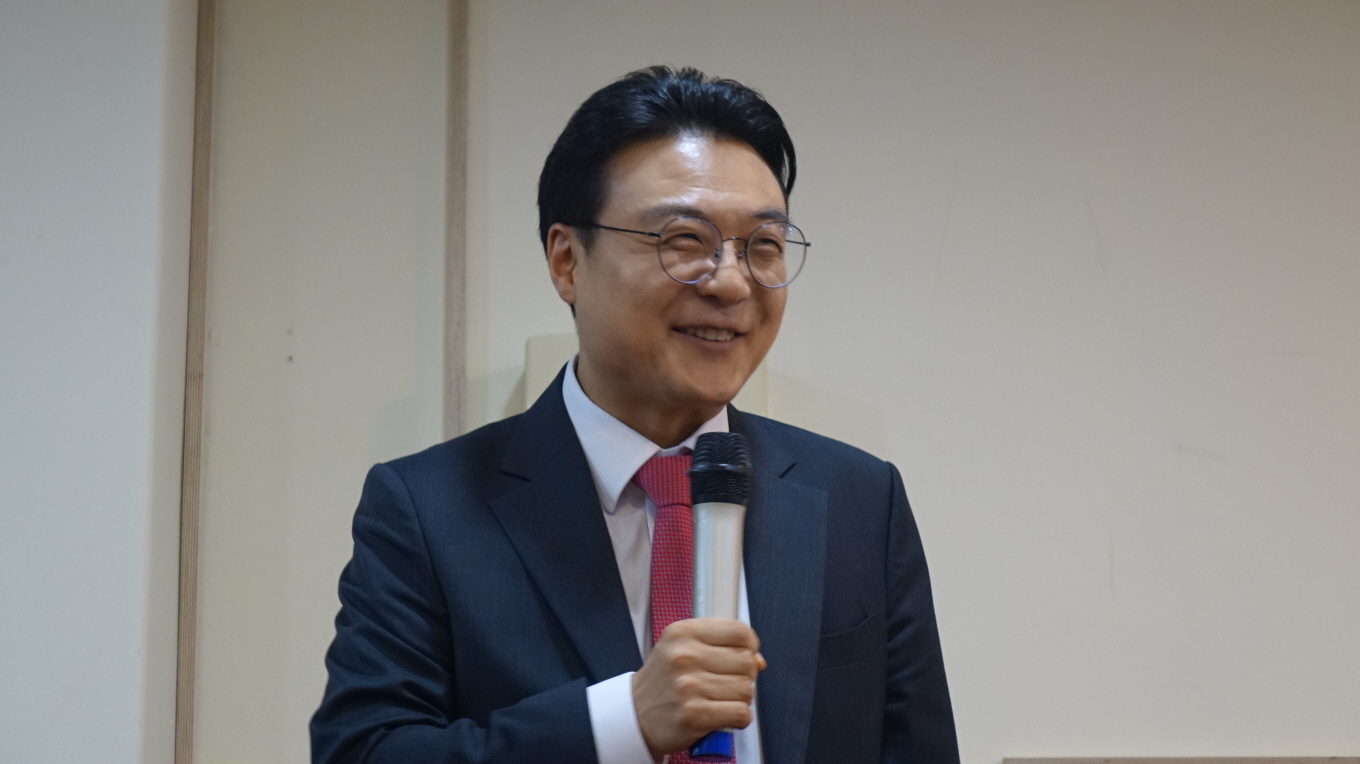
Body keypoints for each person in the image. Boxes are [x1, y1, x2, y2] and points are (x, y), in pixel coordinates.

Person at [311, 65, 958, 764]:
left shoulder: (860, 498)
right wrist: (622, 721)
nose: (731, 281)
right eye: (684, 240)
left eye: (763, 246)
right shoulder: (427, 508)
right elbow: (363, 752)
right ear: (567, 261)